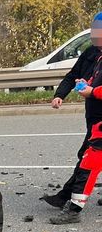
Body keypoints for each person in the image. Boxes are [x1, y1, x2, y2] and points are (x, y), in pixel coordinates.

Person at [42, 12, 102, 212]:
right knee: (90, 156)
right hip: (93, 114)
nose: (95, 35)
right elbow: (73, 75)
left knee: (87, 156)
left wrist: (92, 90)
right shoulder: (91, 53)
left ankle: (67, 199)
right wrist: (60, 94)